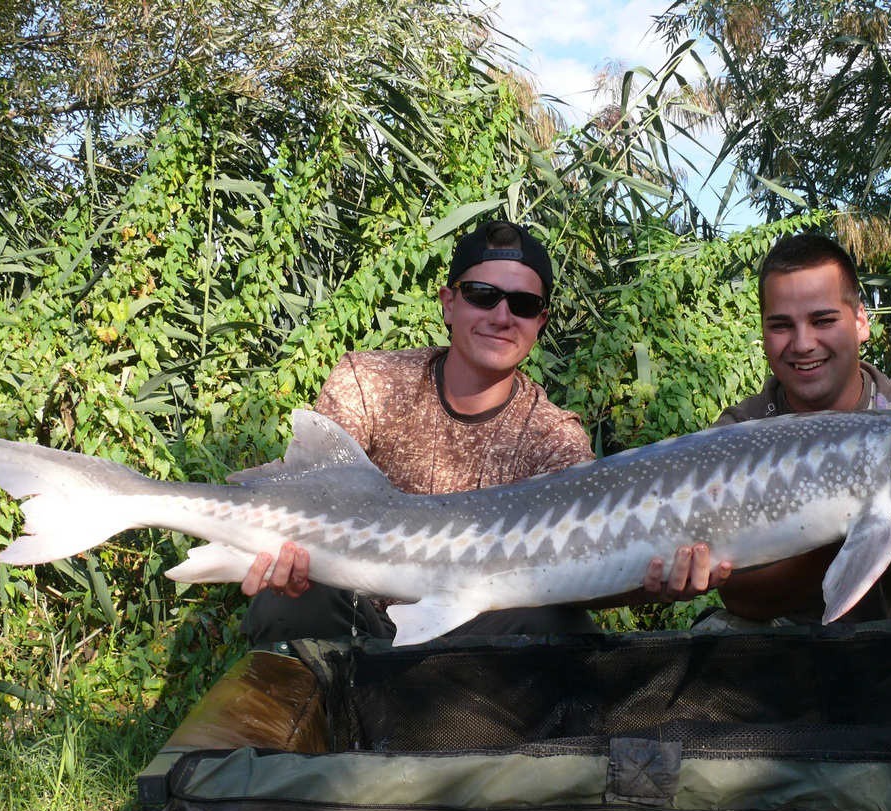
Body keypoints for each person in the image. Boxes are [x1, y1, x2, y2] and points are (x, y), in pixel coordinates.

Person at [241, 220, 725, 646]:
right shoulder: (369, 382)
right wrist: (287, 560)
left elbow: (580, 571)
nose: (501, 315)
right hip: (358, 614)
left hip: (475, 638)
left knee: (556, 623)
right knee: (284, 600)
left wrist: (652, 578)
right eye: (481, 295)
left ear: (540, 322)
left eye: (523, 303)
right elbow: (312, 501)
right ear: (449, 303)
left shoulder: (555, 440)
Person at [712, 232, 891, 624]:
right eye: (781, 325)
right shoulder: (738, 435)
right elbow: (745, 601)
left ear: (861, 322)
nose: (802, 343)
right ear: (763, 332)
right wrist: (865, 529)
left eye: (823, 320)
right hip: (776, 655)